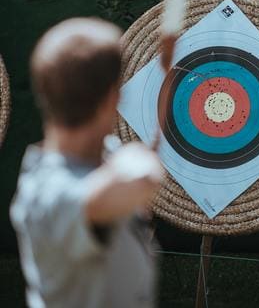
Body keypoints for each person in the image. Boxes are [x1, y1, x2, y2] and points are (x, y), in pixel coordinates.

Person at [10, 17, 163, 308]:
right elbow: (135, 181)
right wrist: (139, 162)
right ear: (113, 98)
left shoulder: (104, 156)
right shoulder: (51, 193)